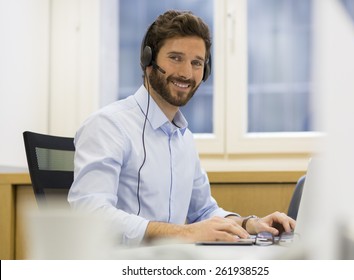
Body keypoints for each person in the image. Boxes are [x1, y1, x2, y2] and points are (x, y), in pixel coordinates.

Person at [68, 10, 295, 246]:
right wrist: (185, 233)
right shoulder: (108, 126)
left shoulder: (182, 137)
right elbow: (90, 213)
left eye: (196, 63)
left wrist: (250, 223)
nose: (187, 73)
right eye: (175, 58)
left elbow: (204, 211)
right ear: (148, 61)